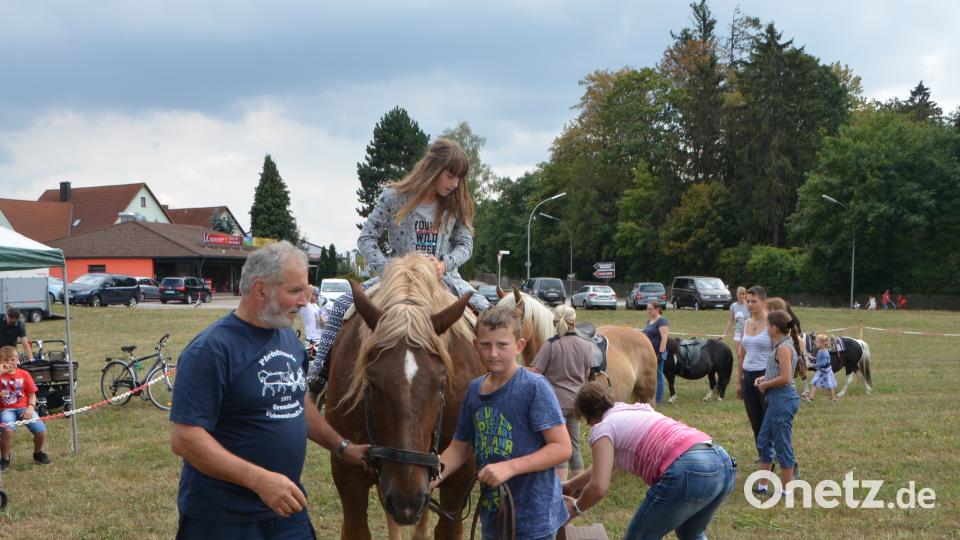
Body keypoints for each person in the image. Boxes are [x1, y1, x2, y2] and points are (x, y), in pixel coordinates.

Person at [169, 241, 369, 539]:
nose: (305, 301)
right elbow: (185, 439)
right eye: (295, 291)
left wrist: (342, 447)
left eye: (307, 289)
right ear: (260, 290)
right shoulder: (211, 350)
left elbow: (298, 403)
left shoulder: (287, 338)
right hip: (223, 520)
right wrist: (260, 481)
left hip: (285, 512)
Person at [308, 138, 490, 390]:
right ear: (434, 168)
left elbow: (465, 245)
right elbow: (366, 237)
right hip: (396, 279)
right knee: (341, 305)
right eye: (450, 176)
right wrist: (390, 270)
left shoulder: (456, 203)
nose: (455, 183)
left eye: (459, 178)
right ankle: (316, 378)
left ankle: (498, 383)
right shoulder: (394, 197)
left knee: (489, 314)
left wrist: (443, 265)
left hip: (443, 278)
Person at [432, 306, 571, 540]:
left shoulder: (534, 387)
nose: (493, 353)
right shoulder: (475, 390)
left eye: (502, 345)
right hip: (494, 514)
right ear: (475, 345)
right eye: (486, 345)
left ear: (519, 346)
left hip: (533, 517)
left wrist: (510, 467)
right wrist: (434, 475)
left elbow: (562, 447)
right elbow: (459, 447)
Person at [562, 381, 735, 539]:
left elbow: (598, 488)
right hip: (721, 461)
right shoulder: (638, 409)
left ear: (588, 416)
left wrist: (576, 508)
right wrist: (571, 485)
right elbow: (608, 465)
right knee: (691, 534)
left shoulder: (603, 428)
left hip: (689, 469)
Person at [528, 304, 592, 481]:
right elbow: (586, 375)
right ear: (574, 322)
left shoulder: (551, 345)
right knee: (574, 447)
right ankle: (577, 488)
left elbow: (535, 373)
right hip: (576, 404)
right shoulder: (586, 345)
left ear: (555, 322)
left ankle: (560, 489)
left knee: (558, 446)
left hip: (555, 404)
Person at [751, 310, 802, 495]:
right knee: (764, 440)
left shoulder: (783, 347)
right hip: (776, 399)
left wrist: (765, 385)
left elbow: (787, 378)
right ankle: (763, 485)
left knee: (782, 443)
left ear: (773, 327)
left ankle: (787, 489)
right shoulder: (780, 345)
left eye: (767, 326)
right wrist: (764, 378)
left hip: (783, 399)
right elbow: (780, 371)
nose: (766, 329)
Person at [0, 345, 51, 471]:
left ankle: (38, 453)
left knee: (41, 430)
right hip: (6, 409)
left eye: (12, 359)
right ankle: (5, 459)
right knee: (8, 431)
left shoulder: (24, 374)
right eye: (5, 360)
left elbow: (32, 395)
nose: (9, 363)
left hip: (24, 407)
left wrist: (30, 408)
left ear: (18, 360)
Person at [737, 285, 771, 448]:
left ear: (764, 302)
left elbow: (790, 346)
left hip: (766, 375)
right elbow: (741, 354)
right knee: (755, 421)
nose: (749, 304)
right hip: (748, 376)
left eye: (754, 301)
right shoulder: (746, 322)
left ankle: (789, 462)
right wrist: (739, 379)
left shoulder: (773, 323)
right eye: (748, 301)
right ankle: (764, 456)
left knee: (771, 421)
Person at [642, 302, 669, 405]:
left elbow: (664, 338)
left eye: (650, 309)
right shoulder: (649, 321)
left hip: (658, 353)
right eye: (647, 309)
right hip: (649, 353)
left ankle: (658, 400)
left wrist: (660, 353)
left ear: (657, 309)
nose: (648, 311)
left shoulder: (662, 321)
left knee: (658, 375)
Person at [806, 334, 837, 402]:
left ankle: (833, 398)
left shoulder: (825, 353)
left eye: (817, 342)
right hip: (821, 371)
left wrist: (812, 365)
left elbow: (823, 363)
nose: (815, 343)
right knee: (815, 383)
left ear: (823, 343)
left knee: (829, 385)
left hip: (826, 371)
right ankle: (811, 397)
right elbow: (819, 359)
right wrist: (813, 358)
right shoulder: (820, 350)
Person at [720, 286, 750, 355]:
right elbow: (731, 321)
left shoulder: (749, 306)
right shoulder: (733, 306)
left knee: (746, 356)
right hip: (738, 334)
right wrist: (725, 334)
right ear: (737, 294)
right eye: (739, 294)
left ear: (745, 295)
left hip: (748, 334)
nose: (741, 296)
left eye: (743, 294)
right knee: (739, 355)